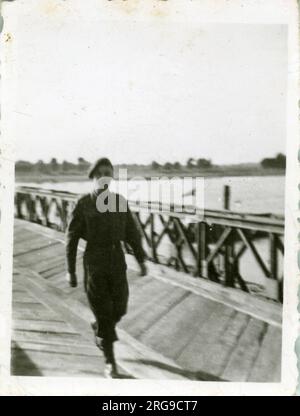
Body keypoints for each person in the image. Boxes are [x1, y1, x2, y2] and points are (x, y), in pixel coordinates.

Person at [65, 157, 147, 378]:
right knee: (104, 313)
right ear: (93, 177)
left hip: (117, 260)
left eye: (108, 173)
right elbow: (71, 238)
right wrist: (70, 270)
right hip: (95, 261)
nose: (104, 178)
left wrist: (141, 259)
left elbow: (132, 232)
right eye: (100, 173)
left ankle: (99, 327)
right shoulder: (83, 204)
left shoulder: (119, 201)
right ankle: (110, 362)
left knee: (120, 308)